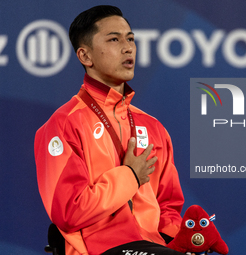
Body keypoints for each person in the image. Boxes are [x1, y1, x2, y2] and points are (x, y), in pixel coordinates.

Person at [34, 5, 185, 255]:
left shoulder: (153, 127)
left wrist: (178, 243)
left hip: (153, 247)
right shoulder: (63, 124)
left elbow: (169, 206)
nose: (128, 48)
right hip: (98, 250)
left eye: (131, 39)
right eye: (114, 39)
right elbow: (69, 212)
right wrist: (130, 176)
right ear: (85, 56)